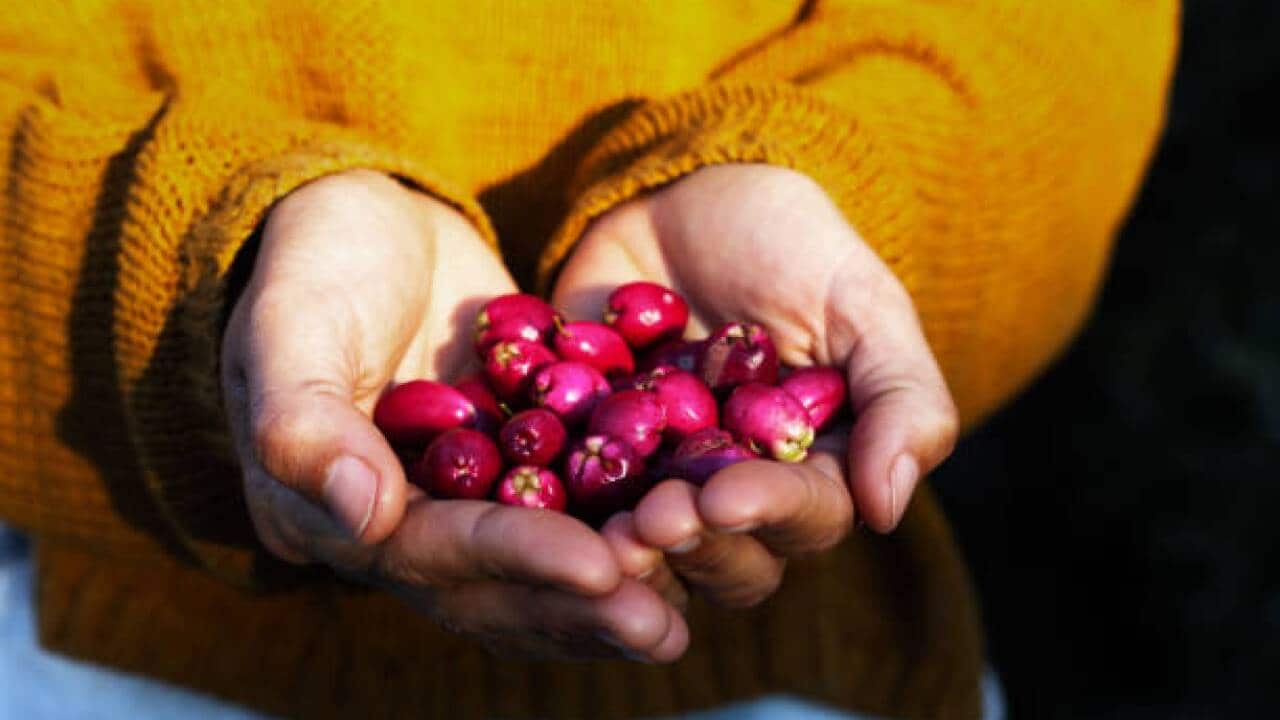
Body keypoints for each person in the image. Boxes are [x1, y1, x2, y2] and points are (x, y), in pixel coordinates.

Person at [0, 1, 1177, 718]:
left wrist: (861, 191)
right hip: (100, 664)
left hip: (796, 677)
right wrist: (199, 298)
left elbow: (1055, 35)